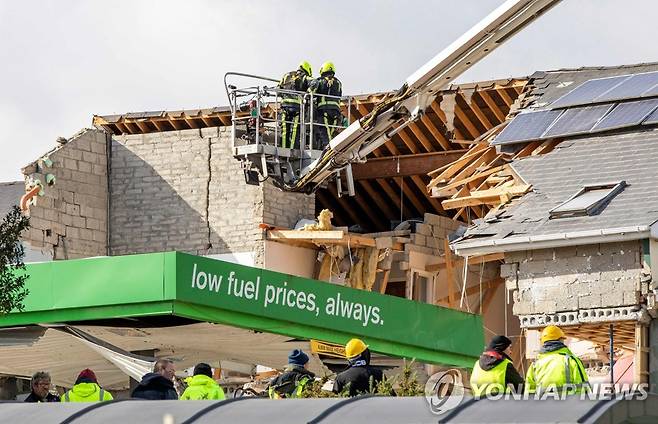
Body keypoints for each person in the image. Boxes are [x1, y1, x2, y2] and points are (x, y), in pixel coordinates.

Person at [525, 325, 589, 394]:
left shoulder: (535, 365)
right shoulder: (571, 361)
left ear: (543, 342)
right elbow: (583, 388)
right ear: (561, 340)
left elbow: (529, 392)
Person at [278, 60, 313, 149]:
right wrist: (308, 93)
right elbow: (314, 83)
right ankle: (292, 149)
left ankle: (283, 149)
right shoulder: (305, 77)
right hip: (297, 107)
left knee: (284, 130)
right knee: (295, 130)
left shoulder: (287, 75)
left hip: (285, 106)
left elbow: (278, 89)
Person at [309, 61, 343, 150]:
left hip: (324, 110)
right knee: (331, 133)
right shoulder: (338, 83)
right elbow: (339, 95)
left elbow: (311, 92)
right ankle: (331, 148)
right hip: (336, 111)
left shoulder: (319, 81)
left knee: (324, 131)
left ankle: (327, 149)